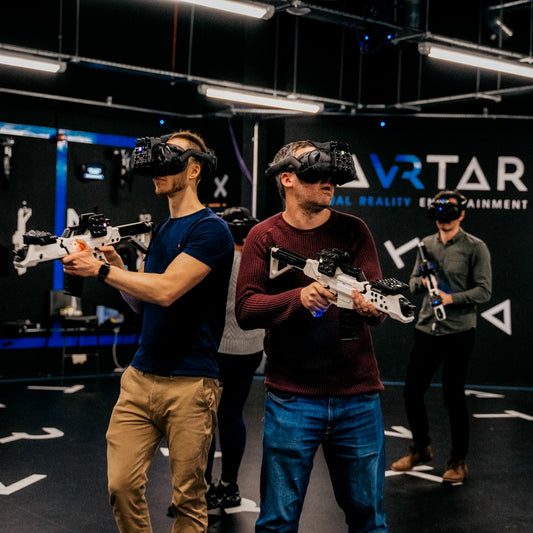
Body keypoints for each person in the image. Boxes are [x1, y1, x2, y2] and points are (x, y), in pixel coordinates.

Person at [61, 130, 234, 533]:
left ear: (194, 170)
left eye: (169, 161)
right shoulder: (164, 229)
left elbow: (167, 290)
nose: (158, 170)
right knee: (121, 487)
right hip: (140, 378)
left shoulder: (210, 230)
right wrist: (117, 267)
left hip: (191, 383)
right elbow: (144, 302)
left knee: (188, 500)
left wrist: (100, 271)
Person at [235, 140, 388, 533]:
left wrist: (373, 309)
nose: (328, 182)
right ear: (287, 178)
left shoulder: (353, 230)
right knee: (278, 521)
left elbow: (376, 301)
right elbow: (247, 309)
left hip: (357, 396)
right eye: (316, 172)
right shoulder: (264, 236)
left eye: (332, 176)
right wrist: (298, 298)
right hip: (292, 397)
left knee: (369, 520)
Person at [390, 190, 492, 483]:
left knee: (453, 397)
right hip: (427, 329)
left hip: (458, 331)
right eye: (439, 214)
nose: (444, 219)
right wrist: (423, 283)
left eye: (450, 213)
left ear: (462, 214)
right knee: (412, 393)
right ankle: (421, 448)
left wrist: (451, 298)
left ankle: (458, 461)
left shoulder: (476, 247)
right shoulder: (426, 245)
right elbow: (412, 283)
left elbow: (484, 291)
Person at [204, 206, 265, 510]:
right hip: (251, 349)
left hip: (217, 350)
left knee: (207, 419)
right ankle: (230, 485)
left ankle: (204, 488)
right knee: (232, 415)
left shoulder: (217, 262)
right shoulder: (261, 264)